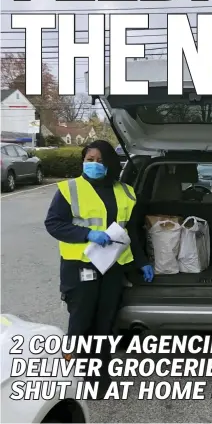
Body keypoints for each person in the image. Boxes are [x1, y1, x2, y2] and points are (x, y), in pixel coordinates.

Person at [44, 140, 154, 396]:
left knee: (104, 325)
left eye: (99, 160)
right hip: (80, 266)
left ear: (110, 164)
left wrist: (142, 261)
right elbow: (54, 224)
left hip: (113, 267)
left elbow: (132, 232)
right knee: (81, 323)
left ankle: (99, 381)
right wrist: (87, 234)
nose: (93, 164)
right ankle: (70, 380)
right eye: (89, 159)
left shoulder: (126, 191)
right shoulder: (69, 189)